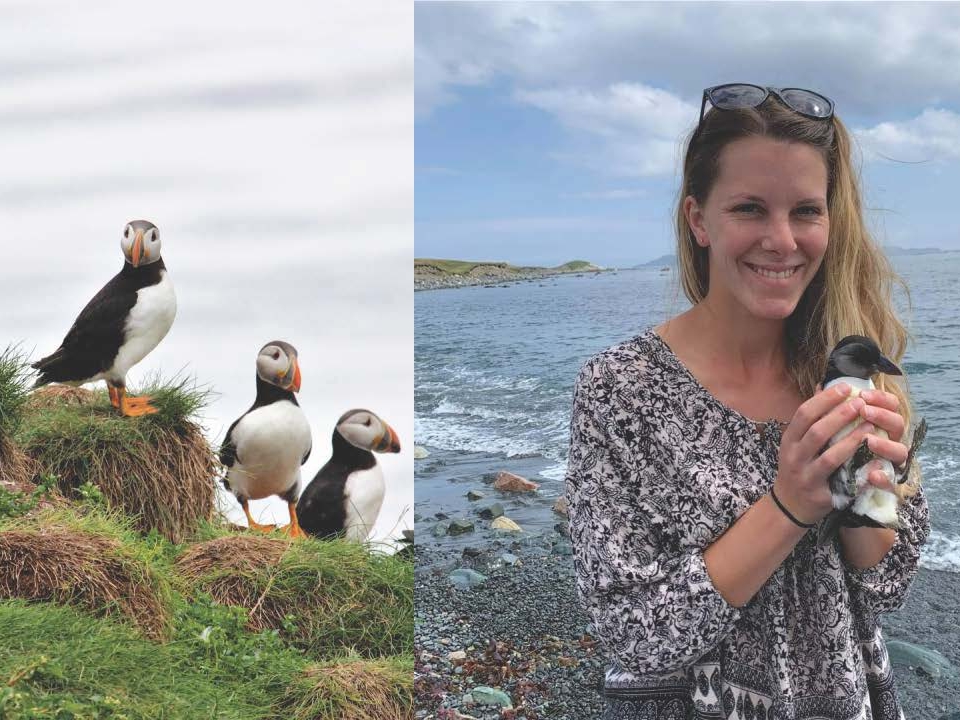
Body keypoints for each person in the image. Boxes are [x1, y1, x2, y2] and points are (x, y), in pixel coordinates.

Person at [565, 84, 929, 720]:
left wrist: (872, 489)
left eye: (807, 212)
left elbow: (883, 579)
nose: (783, 240)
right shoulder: (617, 389)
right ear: (698, 219)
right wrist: (790, 503)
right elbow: (635, 634)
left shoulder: (849, 372)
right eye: (750, 209)